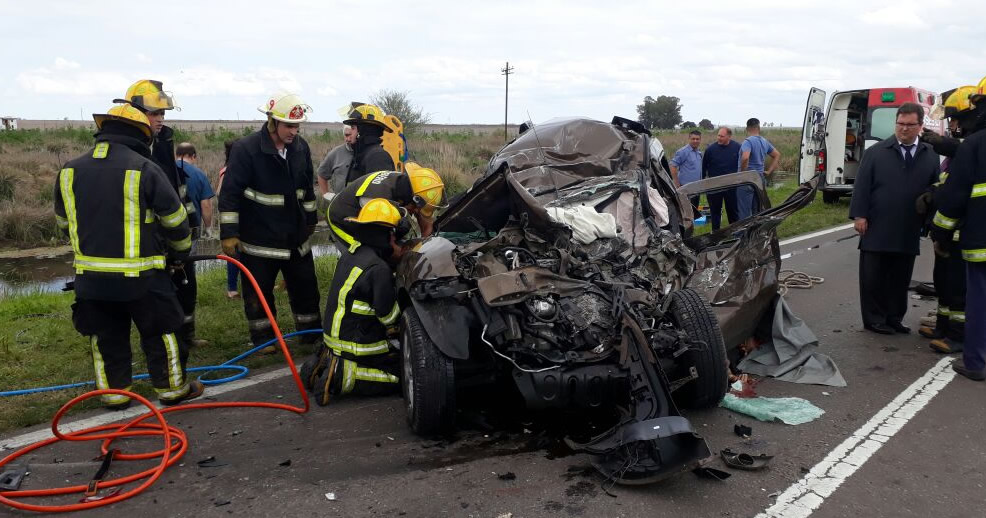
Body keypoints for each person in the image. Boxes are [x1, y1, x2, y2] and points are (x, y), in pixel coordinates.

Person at [53, 104, 203, 409]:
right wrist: (179, 254)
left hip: (91, 280)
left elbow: (64, 224)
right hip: (143, 278)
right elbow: (176, 220)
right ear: (141, 135)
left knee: (106, 338)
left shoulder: (69, 170)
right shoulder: (145, 168)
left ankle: (115, 395)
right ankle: (172, 390)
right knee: (161, 333)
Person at [218, 93, 321, 353]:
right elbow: (230, 193)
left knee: (306, 287)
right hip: (259, 237)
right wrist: (229, 233)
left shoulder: (301, 148)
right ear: (272, 122)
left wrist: (310, 221)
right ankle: (264, 339)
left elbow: (307, 189)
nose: (294, 132)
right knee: (259, 292)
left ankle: (310, 334)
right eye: (289, 125)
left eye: (297, 126)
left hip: (295, 237)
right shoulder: (246, 149)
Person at [117, 79, 206, 349]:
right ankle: (167, 342)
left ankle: (185, 336)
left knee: (186, 287)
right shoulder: (129, 148)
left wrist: (189, 226)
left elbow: (175, 193)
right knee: (159, 298)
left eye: (162, 113)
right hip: (148, 241)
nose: (159, 119)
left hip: (176, 234)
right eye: (154, 113)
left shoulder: (164, 142)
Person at [849, 102, 940, 335]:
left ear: (920, 126)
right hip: (877, 224)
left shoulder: (929, 155)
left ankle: (894, 318)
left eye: (910, 125)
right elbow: (862, 186)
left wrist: (929, 214)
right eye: (900, 124)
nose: (904, 129)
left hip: (909, 226)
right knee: (873, 277)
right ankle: (874, 319)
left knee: (900, 278)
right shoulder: (876, 152)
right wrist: (860, 215)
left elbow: (936, 186)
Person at [301, 198, 403, 405]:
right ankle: (343, 374)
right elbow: (389, 317)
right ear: (386, 235)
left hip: (336, 340)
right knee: (403, 376)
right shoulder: (379, 269)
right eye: (395, 237)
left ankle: (325, 361)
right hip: (360, 347)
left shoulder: (353, 253)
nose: (397, 243)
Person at [930, 77, 986, 381]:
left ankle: (975, 362)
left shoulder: (975, 145)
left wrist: (939, 231)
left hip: (978, 239)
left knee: (977, 298)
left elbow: (955, 196)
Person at [917, 87, 974, 354]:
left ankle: (958, 336)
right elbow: (946, 181)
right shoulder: (959, 151)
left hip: (961, 231)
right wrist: (931, 193)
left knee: (958, 286)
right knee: (943, 282)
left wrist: (936, 141)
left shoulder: (973, 146)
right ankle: (943, 326)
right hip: (946, 231)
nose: (951, 125)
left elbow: (960, 190)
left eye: (954, 119)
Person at [327, 163, 445, 254]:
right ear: (412, 199)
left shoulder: (407, 184)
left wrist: (427, 243)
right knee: (366, 257)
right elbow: (381, 240)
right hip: (341, 219)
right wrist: (394, 252)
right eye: (415, 209)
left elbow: (426, 221)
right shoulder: (376, 198)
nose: (415, 212)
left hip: (367, 208)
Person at [737, 118, 781, 219]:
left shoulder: (747, 141)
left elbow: (745, 157)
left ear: (747, 128)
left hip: (747, 179)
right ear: (759, 127)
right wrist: (769, 171)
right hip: (760, 179)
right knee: (757, 209)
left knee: (744, 210)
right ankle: (756, 232)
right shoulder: (764, 141)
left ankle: (743, 234)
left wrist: (743, 173)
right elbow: (777, 155)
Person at [702, 127, 741, 230]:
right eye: (718, 135)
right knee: (715, 212)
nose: (719, 138)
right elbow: (703, 167)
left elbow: (742, 164)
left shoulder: (737, 147)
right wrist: (703, 184)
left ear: (729, 136)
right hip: (714, 187)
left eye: (722, 136)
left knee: (733, 211)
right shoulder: (710, 149)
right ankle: (715, 235)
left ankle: (735, 233)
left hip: (732, 186)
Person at [344, 103, 396, 183]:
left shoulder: (378, 157)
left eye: (353, 128)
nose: (351, 132)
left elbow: (379, 192)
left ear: (361, 131)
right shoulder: (361, 153)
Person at [215, 139, 240, 299]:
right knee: (234, 254)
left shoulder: (237, 168)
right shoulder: (229, 170)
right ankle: (232, 290)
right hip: (234, 221)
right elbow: (219, 193)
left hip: (242, 219)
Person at [175, 142, 215, 234]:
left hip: (166, 229)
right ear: (193, 156)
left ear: (176, 155)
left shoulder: (163, 170)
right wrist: (208, 227)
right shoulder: (199, 174)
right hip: (191, 227)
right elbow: (206, 205)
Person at [317, 124, 357, 196]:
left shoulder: (369, 153)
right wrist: (326, 195)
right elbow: (321, 174)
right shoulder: (336, 153)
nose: (347, 139)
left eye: (350, 135)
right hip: (341, 203)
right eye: (346, 135)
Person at [669, 130, 703, 216]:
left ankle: (692, 228)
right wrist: (677, 184)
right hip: (686, 189)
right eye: (693, 139)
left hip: (696, 189)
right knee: (685, 214)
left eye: (697, 139)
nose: (695, 141)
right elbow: (673, 166)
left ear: (700, 140)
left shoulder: (699, 152)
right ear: (689, 139)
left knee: (694, 212)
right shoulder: (683, 152)